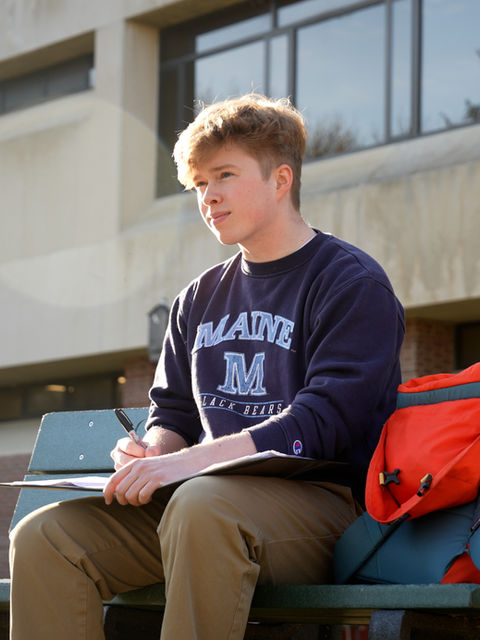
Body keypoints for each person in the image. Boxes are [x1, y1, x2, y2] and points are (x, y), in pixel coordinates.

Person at [9, 94, 405, 640]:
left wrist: (185, 468)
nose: (209, 197)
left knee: (201, 505)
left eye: (224, 175)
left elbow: (322, 422)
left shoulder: (350, 283)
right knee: (45, 537)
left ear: (280, 179)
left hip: (328, 512)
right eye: (199, 184)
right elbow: (171, 412)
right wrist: (151, 452)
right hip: (206, 507)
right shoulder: (198, 298)